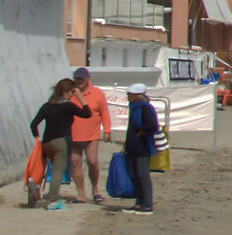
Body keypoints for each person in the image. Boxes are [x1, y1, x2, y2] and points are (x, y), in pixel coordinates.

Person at [28, 80, 88, 208]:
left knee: (40, 169)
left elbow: (33, 124)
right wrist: (81, 98)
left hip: (46, 142)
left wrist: (37, 138)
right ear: (66, 93)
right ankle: (54, 201)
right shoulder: (68, 106)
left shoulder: (46, 106)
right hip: (61, 142)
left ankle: (33, 196)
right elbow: (87, 114)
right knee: (57, 171)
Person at [68, 67, 112, 205]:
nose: (79, 81)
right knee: (75, 162)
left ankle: (95, 190)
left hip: (92, 134)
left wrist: (107, 130)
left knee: (92, 161)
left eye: (82, 78)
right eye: (77, 78)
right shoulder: (70, 94)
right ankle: (81, 193)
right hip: (73, 135)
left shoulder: (97, 93)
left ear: (88, 79)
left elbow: (104, 113)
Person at [120, 82, 159, 214]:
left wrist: (142, 131)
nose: (128, 97)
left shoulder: (146, 108)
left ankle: (147, 204)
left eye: (130, 95)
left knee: (143, 175)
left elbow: (153, 125)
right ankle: (138, 202)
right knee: (134, 175)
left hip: (142, 147)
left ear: (137, 95)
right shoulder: (134, 107)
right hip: (132, 147)